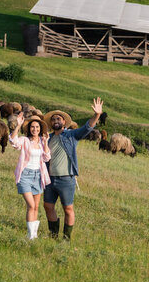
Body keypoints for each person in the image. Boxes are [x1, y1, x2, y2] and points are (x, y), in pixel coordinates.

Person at [42, 97, 103, 240]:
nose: (56, 121)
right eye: (53, 119)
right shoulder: (48, 138)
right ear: (51, 123)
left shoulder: (71, 135)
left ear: (64, 122)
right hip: (50, 179)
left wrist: (97, 115)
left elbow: (87, 127)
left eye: (59, 119)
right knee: (47, 206)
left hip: (66, 178)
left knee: (68, 208)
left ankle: (66, 238)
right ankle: (53, 235)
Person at [9, 114, 51, 240]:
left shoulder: (42, 142)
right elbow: (13, 141)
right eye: (32, 127)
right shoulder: (25, 140)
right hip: (25, 175)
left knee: (36, 207)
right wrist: (18, 125)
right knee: (31, 206)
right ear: (29, 129)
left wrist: (46, 142)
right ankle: (30, 234)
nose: (35, 129)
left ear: (40, 129)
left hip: (38, 176)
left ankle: (34, 235)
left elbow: (46, 157)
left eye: (37, 127)